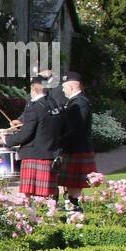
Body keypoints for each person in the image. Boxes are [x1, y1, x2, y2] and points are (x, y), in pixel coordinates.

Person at [4, 73, 65, 201]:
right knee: (48, 197)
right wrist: (22, 122)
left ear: (33, 88)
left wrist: (6, 140)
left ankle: (32, 219)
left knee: (29, 198)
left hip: (34, 154)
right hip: (51, 154)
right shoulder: (55, 105)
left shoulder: (34, 107)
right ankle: (49, 217)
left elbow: (26, 134)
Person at [53, 71, 97, 209]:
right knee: (72, 184)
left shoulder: (80, 103)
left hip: (77, 148)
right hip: (74, 148)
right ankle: (72, 206)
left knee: (74, 185)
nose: (63, 90)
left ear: (71, 87)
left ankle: (75, 209)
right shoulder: (75, 102)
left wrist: (59, 141)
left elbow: (76, 130)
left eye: (64, 87)